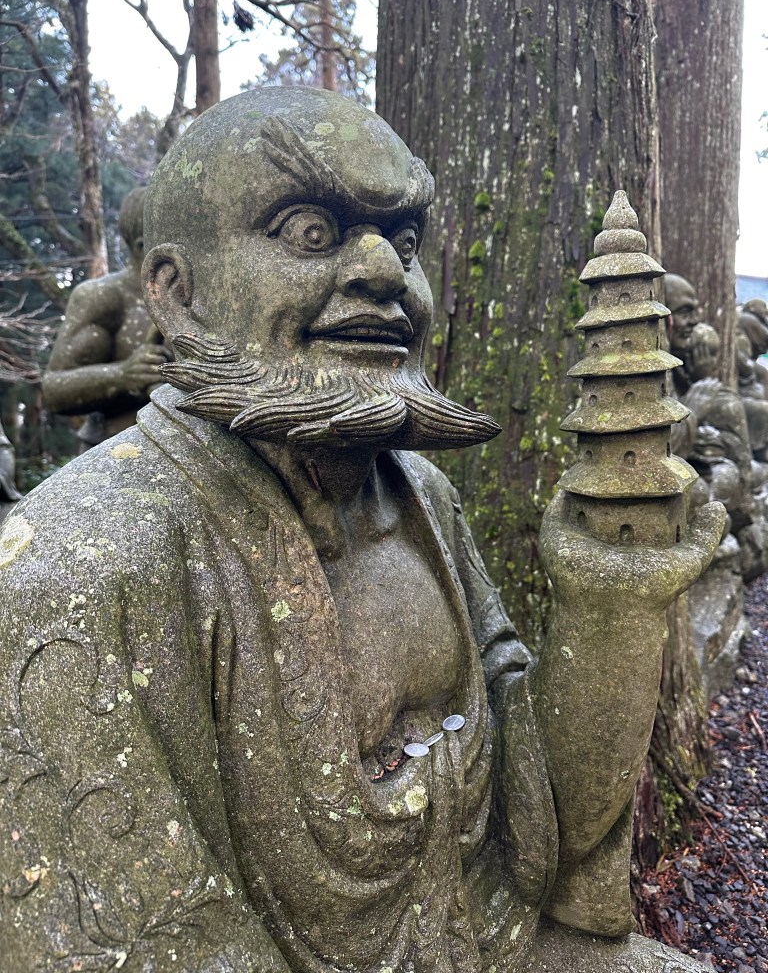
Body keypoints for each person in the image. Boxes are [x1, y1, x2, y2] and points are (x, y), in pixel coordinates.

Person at [0, 89, 722, 972]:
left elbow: (544, 832)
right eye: (311, 231)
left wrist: (609, 605)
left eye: (406, 241)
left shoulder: (422, 496)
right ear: (177, 294)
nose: (386, 273)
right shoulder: (77, 569)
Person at [42, 187, 171, 451]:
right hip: (114, 452)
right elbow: (54, 388)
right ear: (144, 246)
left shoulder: (208, 299)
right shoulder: (104, 297)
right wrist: (122, 375)